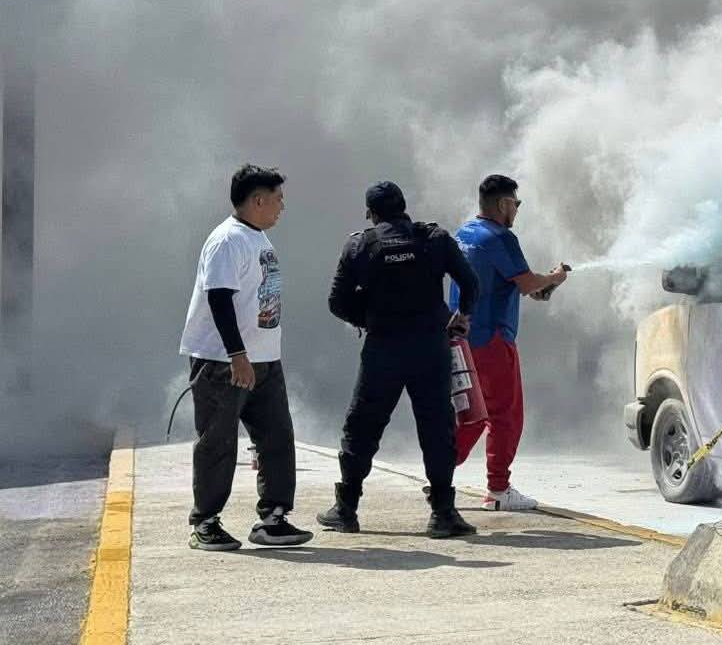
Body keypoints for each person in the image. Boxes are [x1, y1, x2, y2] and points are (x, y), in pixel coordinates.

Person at [318, 181, 481, 538]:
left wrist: (370, 318)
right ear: (405, 207)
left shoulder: (360, 244)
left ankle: (346, 509)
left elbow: (336, 302)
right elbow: (470, 283)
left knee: (363, 424)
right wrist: (462, 317)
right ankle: (442, 514)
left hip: (384, 348)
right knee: (437, 427)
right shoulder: (434, 239)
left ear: (371, 213)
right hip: (430, 347)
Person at [177, 164, 312, 550]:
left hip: (264, 359)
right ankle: (205, 522)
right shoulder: (227, 241)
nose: (282, 206)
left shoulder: (259, 239)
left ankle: (272, 518)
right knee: (218, 441)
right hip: (225, 362)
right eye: (278, 199)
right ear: (257, 200)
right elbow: (218, 299)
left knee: (277, 437)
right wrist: (237, 354)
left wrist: (260, 354)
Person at [449, 174, 568, 511]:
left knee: (471, 413)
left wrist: (540, 287)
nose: (517, 209)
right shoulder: (501, 238)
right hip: (493, 341)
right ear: (503, 204)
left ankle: (440, 473)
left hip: (461, 340)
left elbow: (513, 285)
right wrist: (555, 277)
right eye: (516, 203)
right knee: (506, 415)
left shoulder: (465, 234)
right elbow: (529, 283)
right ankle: (499, 490)